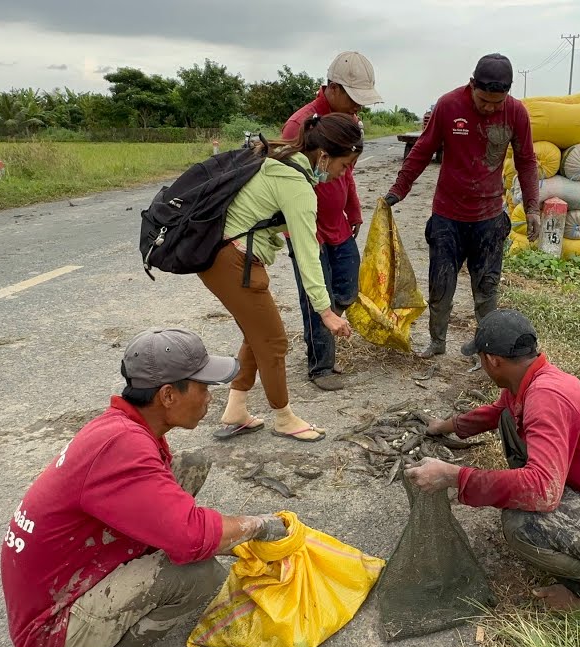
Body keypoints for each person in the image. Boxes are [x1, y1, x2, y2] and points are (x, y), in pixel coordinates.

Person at [0, 329, 290, 647]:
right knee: (199, 574)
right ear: (168, 395)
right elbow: (191, 539)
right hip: (50, 623)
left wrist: (215, 532)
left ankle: (139, 573)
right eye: (202, 387)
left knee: (190, 467)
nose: (209, 398)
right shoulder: (124, 448)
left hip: (64, 571)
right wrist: (256, 526)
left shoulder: (122, 427)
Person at [405, 310, 580, 610]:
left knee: (519, 522)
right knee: (506, 419)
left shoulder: (545, 397)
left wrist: (455, 476)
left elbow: (543, 491)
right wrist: (444, 425)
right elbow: (494, 412)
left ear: (492, 360)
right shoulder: (534, 378)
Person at [201, 113, 361, 442]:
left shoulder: (281, 160)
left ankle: (236, 409)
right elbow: (308, 254)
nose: (344, 174)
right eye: (344, 166)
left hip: (221, 256)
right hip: (234, 261)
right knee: (274, 341)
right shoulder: (297, 186)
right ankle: (284, 418)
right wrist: (326, 311)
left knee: (256, 333)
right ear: (325, 156)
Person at [384, 53, 542, 359]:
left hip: (489, 219)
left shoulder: (516, 113)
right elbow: (422, 150)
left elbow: (526, 161)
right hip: (447, 218)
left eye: (498, 102)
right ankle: (437, 341)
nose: (490, 108)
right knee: (440, 287)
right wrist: (398, 189)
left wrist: (533, 207)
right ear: (472, 85)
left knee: (486, 290)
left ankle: (483, 346)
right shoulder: (448, 105)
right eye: (484, 100)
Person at [280, 51, 381, 392]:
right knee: (315, 290)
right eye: (354, 99)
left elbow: (347, 173)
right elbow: (283, 181)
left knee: (347, 286)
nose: (358, 108)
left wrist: (353, 209)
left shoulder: (349, 123)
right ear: (333, 88)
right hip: (308, 229)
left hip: (337, 224)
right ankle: (320, 365)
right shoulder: (299, 124)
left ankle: (325, 325)